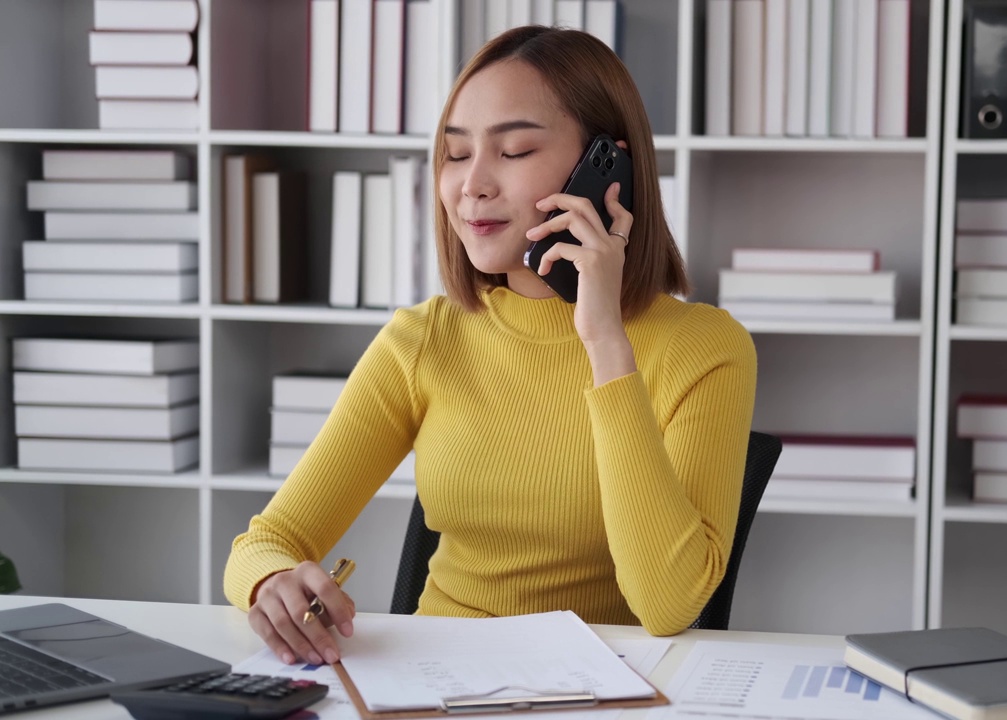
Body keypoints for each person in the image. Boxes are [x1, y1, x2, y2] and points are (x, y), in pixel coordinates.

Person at [224, 25, 757, 668]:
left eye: (514, 150)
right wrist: (270, 584)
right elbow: (268, 540)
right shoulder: (424, 339)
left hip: (598, 692)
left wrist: (604, 343)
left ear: (607, 169)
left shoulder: (704, 348)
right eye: (455, 154)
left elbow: (668, 605)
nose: (472, 184)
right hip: (429, 686)